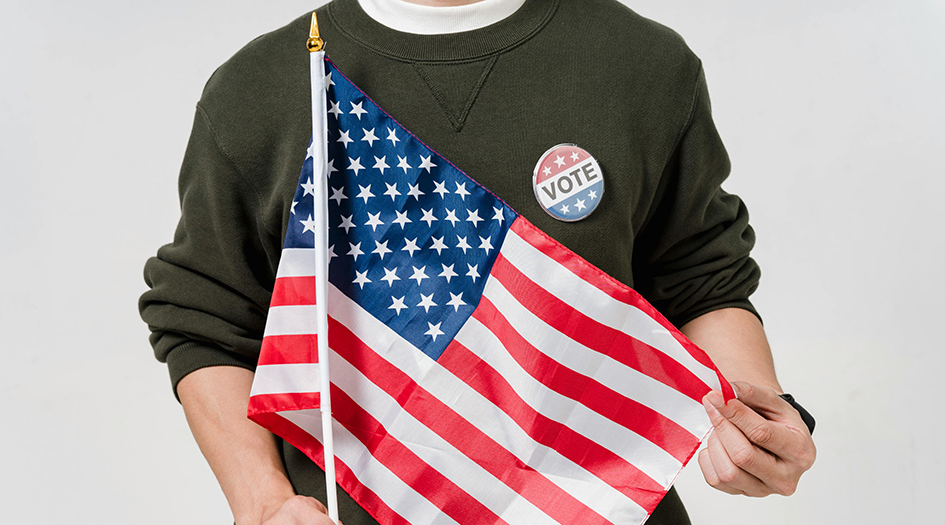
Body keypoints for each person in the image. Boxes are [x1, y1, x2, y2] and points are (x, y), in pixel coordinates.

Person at [138, 0, 817, 523]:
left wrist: (759, 420)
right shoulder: (260, 90)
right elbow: (205, 317)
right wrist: (264, 501)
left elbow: (703, 280)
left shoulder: (640, 64)